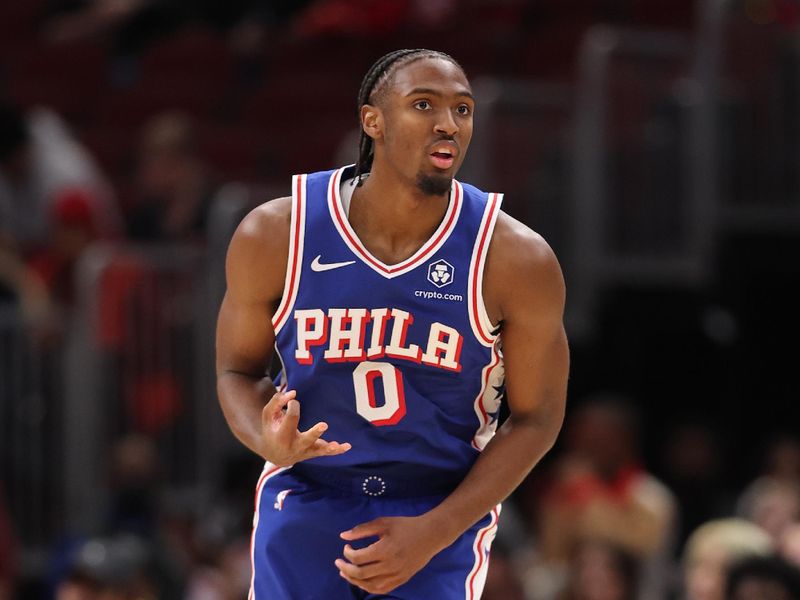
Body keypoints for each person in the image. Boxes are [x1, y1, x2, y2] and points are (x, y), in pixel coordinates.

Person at [215, 48, 569, 599]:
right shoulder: (276, 232)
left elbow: (537, 418)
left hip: (439, 502)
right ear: (372, 121)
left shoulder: (515, 257)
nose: (448, 123)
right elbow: (235, 371)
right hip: (309, 491)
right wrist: (265, 438)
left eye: (463, 110)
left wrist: (439, 530)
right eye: (423, 104)